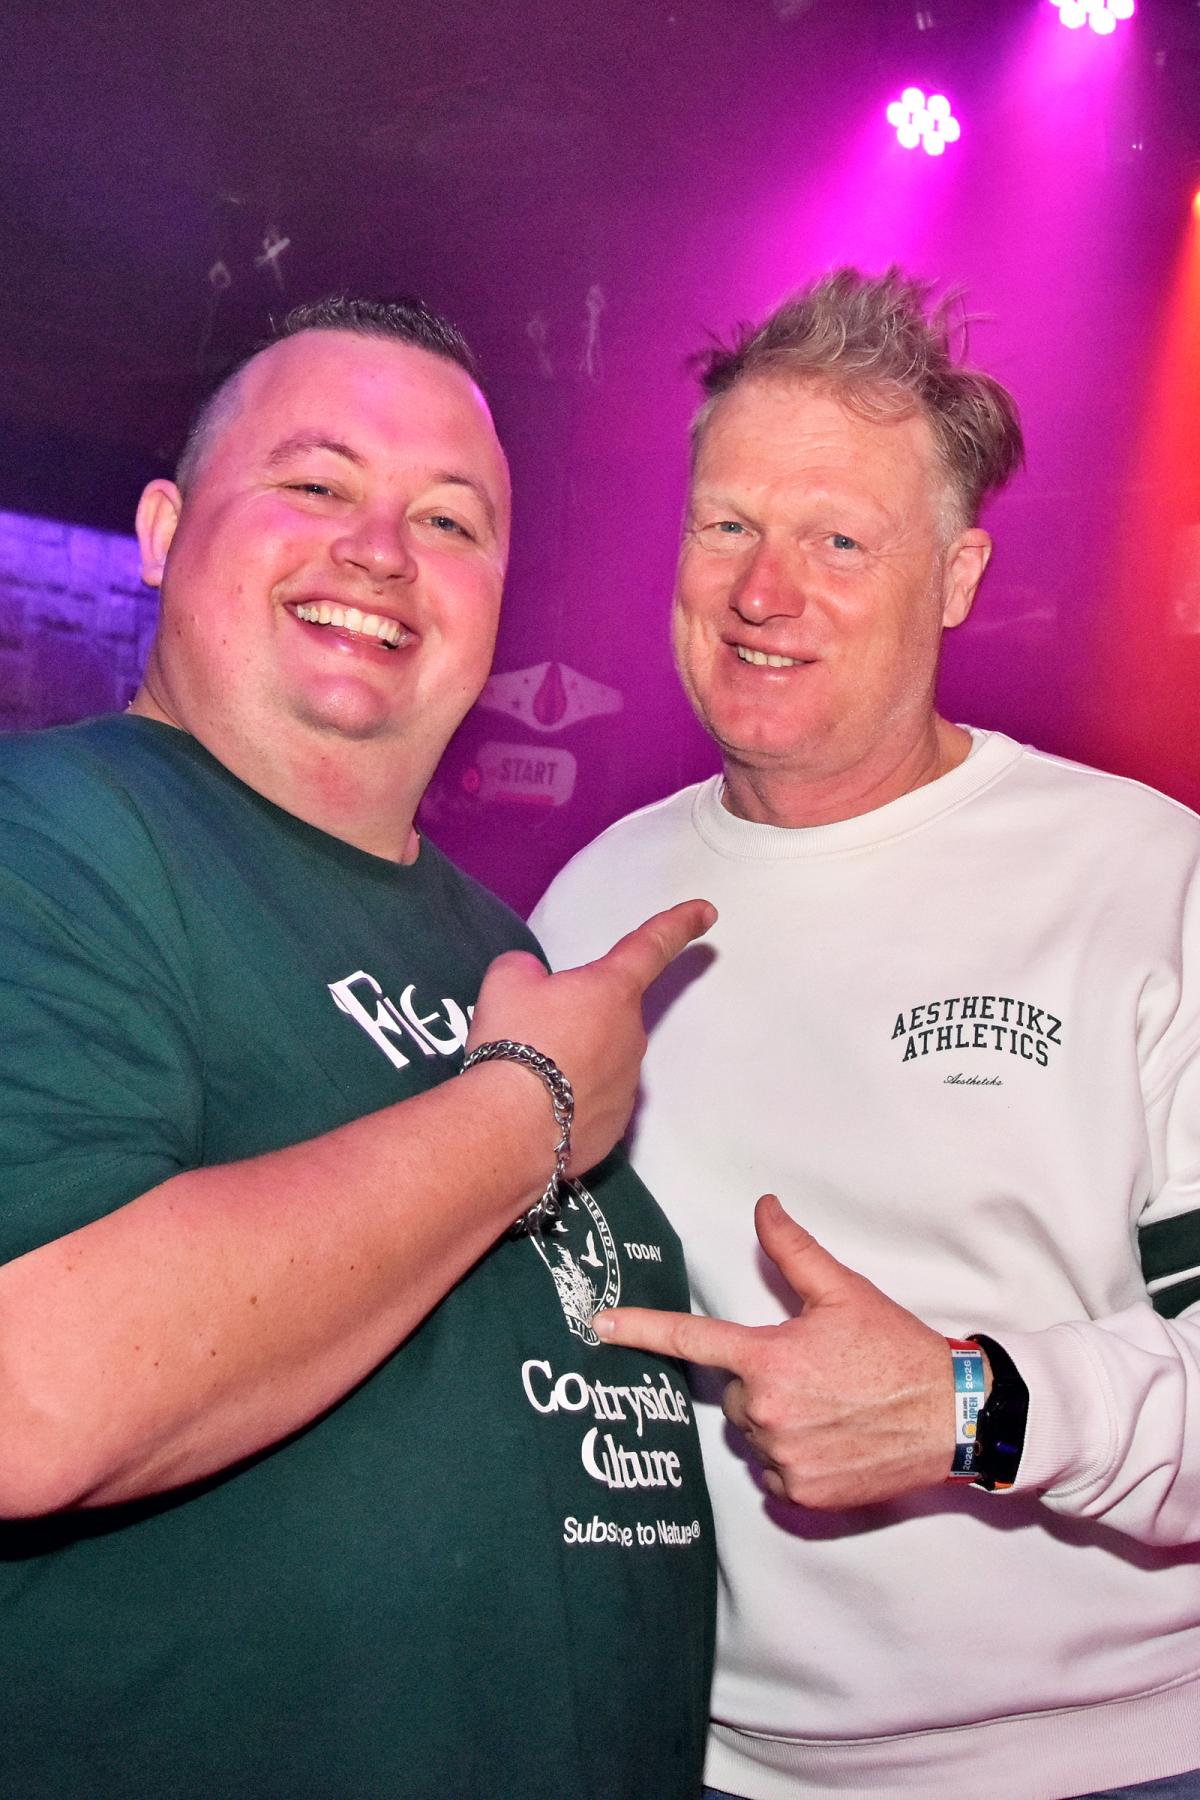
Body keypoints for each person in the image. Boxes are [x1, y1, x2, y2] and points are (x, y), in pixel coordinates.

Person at [0, 296, 717, 1799]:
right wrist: (530, 1109)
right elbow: (31, 1390)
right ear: (162, 529)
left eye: (449, 520)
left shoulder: (500, 941)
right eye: (317, 484)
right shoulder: (50, 842)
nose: (382, 550)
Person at [531, 267, 1200, 1800]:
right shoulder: (591, 906)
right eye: (728, 525)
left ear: (956, 577)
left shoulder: (1149, 883)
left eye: (840, 540)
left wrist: (975, 1411)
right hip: (695, 1758)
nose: (764, 594)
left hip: (1112, 1762)